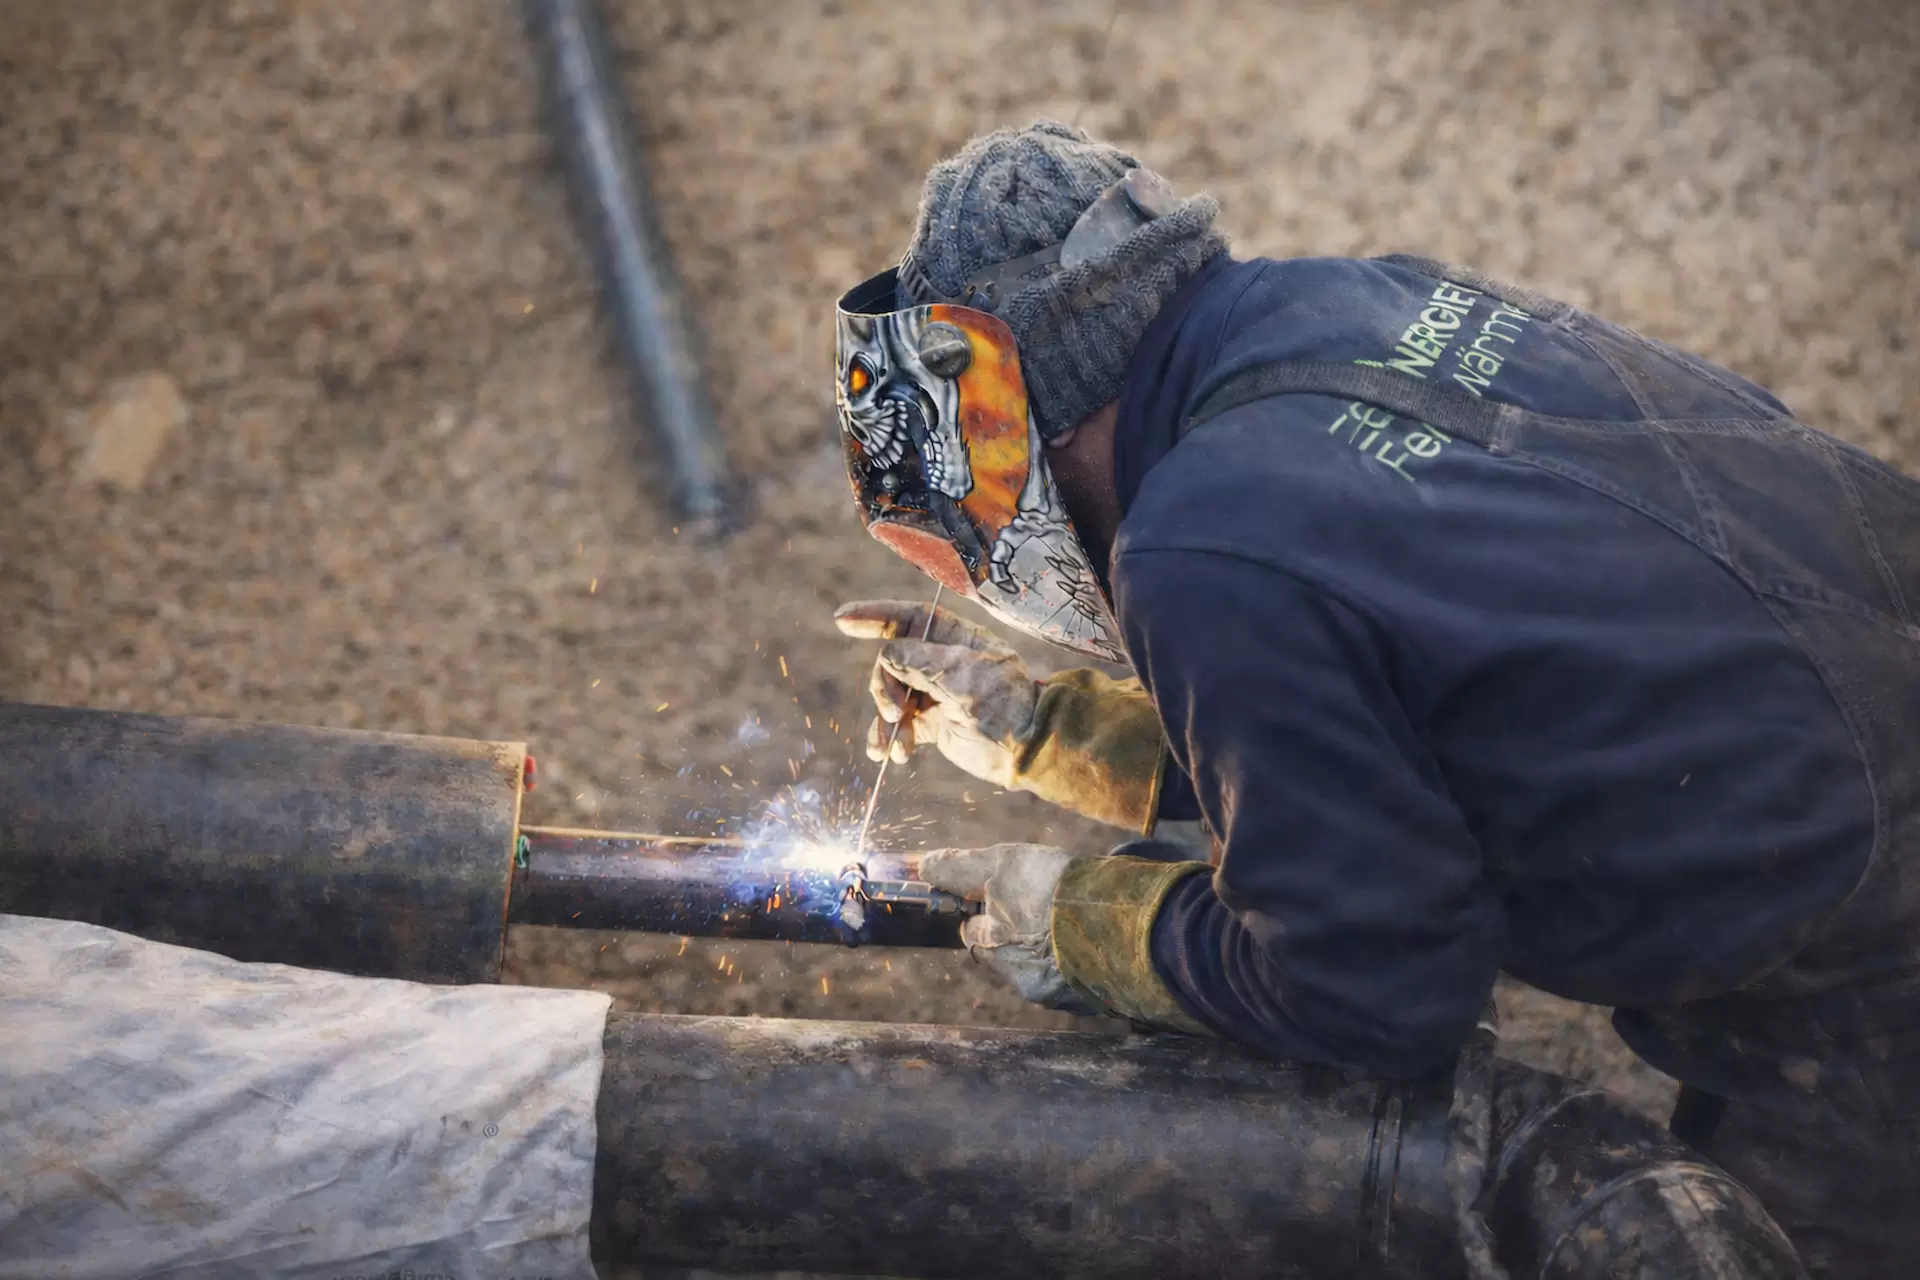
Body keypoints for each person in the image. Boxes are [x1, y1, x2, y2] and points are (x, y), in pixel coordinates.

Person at [829, 120, 1920, 1276]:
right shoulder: (1354, 303)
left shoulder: (1195, 547)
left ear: (1003, 426)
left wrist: (1071, 918)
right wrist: (1049, 731)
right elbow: (1393, 719)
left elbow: (1374, 983)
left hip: (1875, 958)